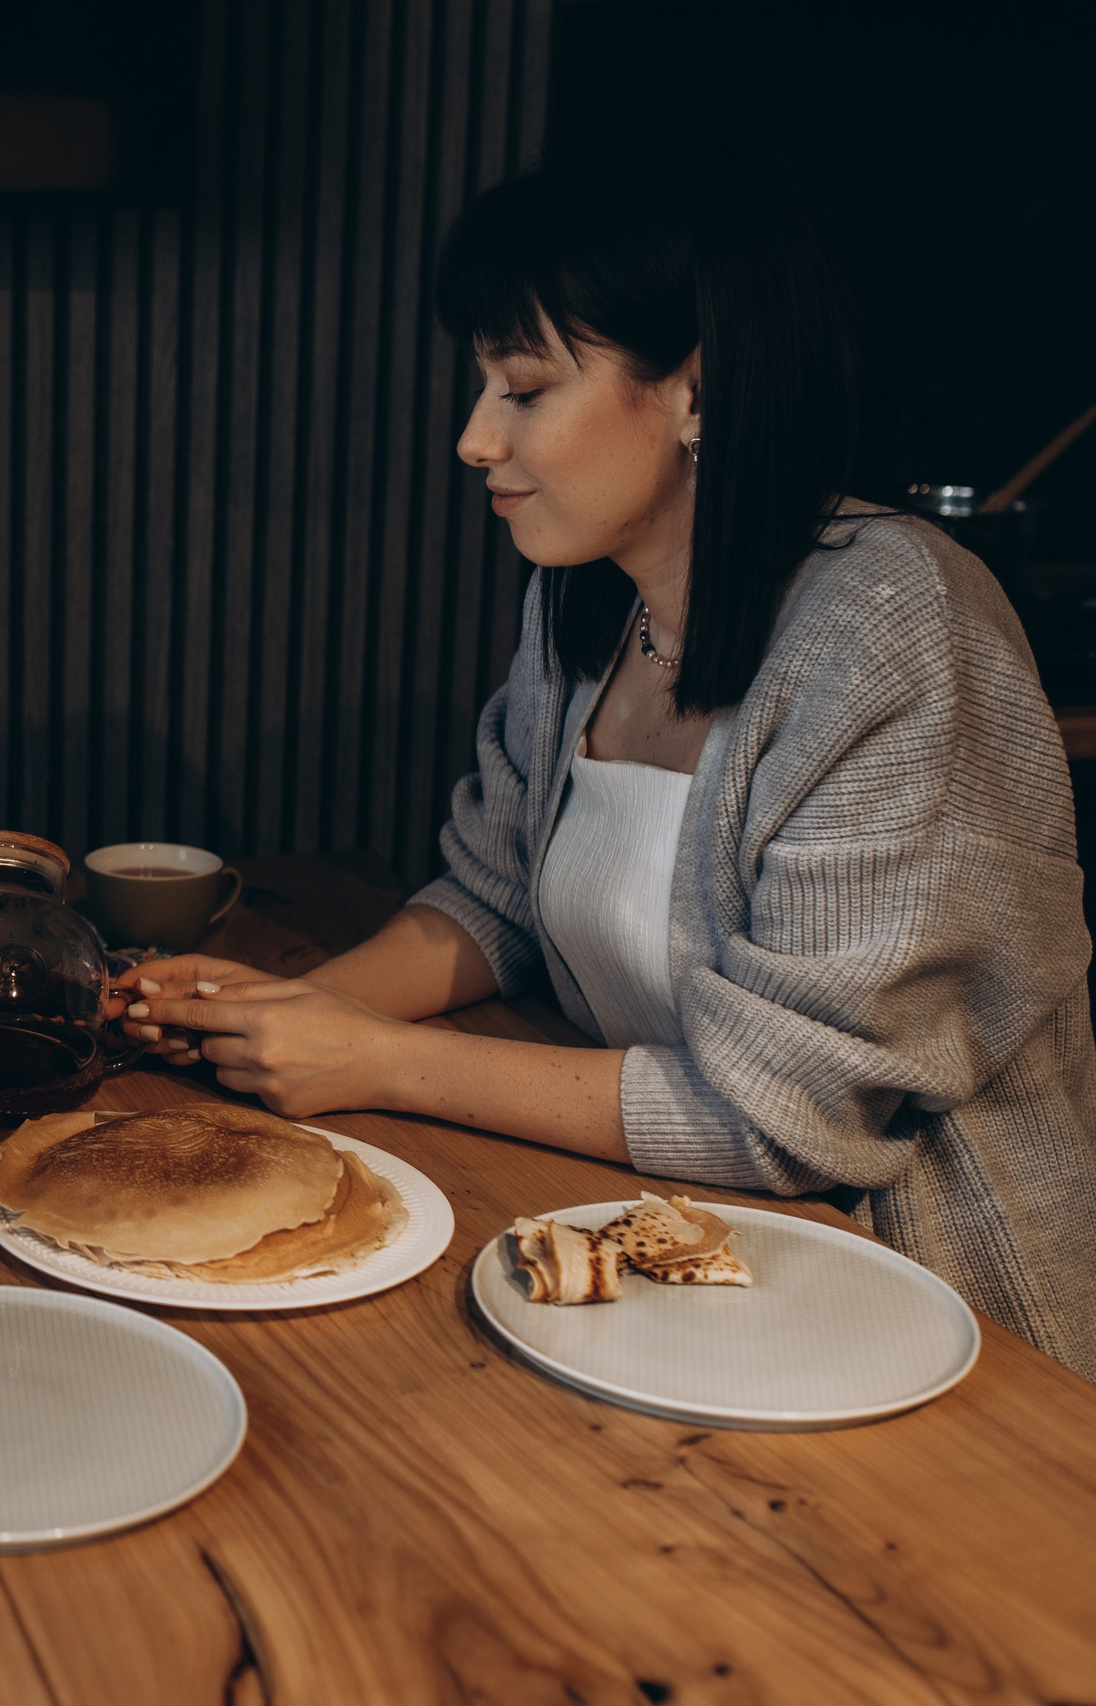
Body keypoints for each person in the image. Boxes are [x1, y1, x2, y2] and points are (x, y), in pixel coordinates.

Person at [121, 139, 1096, 1380]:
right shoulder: (584, 604)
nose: (474, 438)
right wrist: (297, 1012)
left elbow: (790, 1115)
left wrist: (382, 1060)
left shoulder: (891, 625)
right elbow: (497, 897)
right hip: (664, 1248)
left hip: (925, 1310)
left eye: (522, 389)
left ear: (697, 390)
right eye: (479, 386)